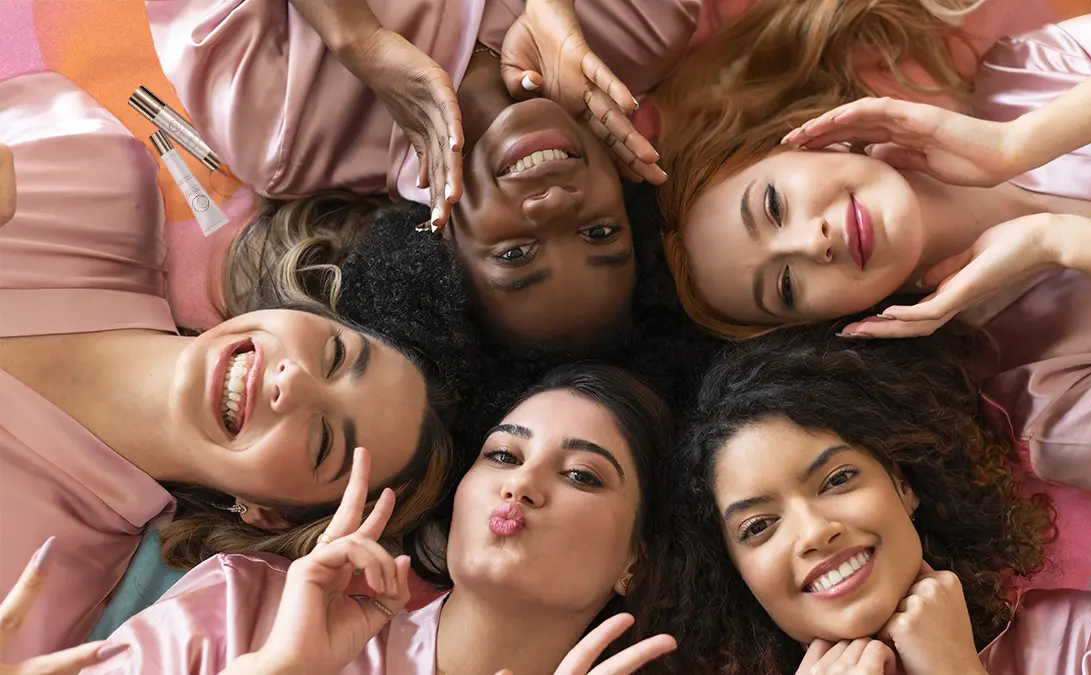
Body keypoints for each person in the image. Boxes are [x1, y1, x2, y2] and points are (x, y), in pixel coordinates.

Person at [655, 0, 1091, 499]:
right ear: (830, 326)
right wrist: (1063, 241)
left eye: (773, 204)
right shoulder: (1047, 405)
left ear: (801, 141)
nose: (810, 242)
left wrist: (1022, 143)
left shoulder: (1022, 76)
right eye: (787, 286)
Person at [0, 72, 454, 662]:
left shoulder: (39, 592)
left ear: (266, 514)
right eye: (337, 355)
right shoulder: (87, 177)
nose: (293, 383)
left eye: (322, 443)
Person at [629, 328, 1091, 674]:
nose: (812, 531)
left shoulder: (1090, 642)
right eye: (758, 527)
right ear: (736, 574)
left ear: (904, 484)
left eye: (837, 479)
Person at [148, 0, 701, 345]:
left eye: (516, 254)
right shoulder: (644, 21)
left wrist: (356, 39)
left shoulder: (282, 135)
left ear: (439, 256)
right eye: (599, 232)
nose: (553, 207)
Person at [84, 364, 679, 675]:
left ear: (635, 560)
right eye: (503, 454)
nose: (520, 483)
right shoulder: (241, 605)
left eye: (580, 474)